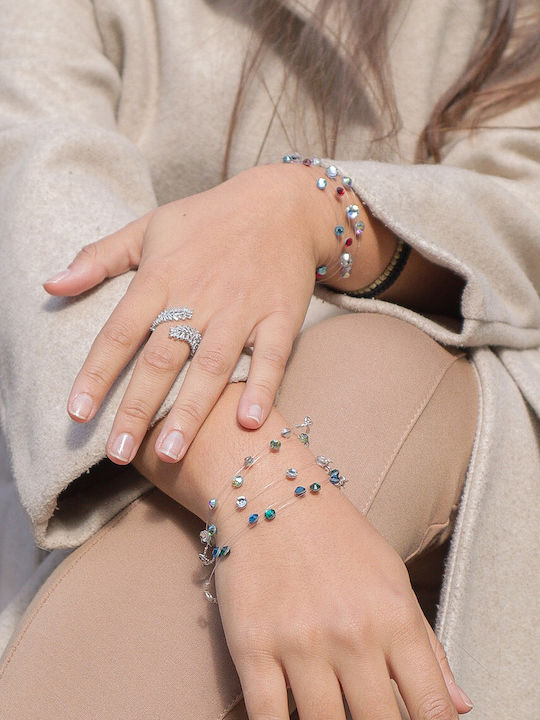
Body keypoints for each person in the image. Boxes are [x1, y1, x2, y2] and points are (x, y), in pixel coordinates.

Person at [0, 0, 538, 717]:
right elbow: (30, 174)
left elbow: (521, 209)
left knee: (377, 369)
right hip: (96, 443)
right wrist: (258, 484)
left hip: (430, 426)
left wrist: (313, 210)